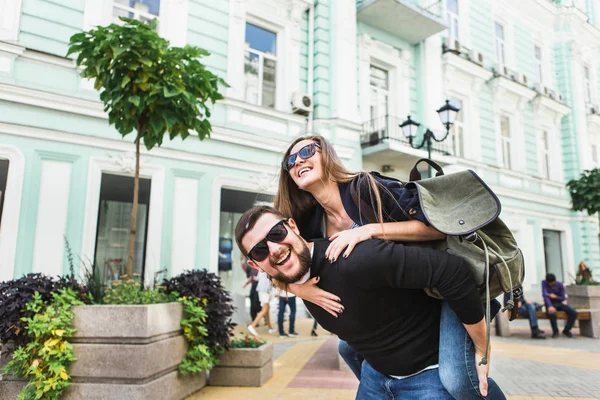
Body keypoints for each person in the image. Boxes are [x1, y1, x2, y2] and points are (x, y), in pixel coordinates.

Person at [273, 135, 503, 399]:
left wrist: (370, 231)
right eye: (290, 161)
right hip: (405, 303)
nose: (298, 161)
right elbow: (272, 261)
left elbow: (439, 229)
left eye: (307, 151)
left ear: (326, 154)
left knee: (458, 379)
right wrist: (298, 289)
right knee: (347, 349)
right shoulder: (310, 223)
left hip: (447, 285)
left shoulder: (364, 189)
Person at [235, 206, 505, 399]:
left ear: (293, 226)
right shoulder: (295, 277)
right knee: (346, 348)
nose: (273, 248)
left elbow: (452, 271)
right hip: (377, 379)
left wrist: (481, 346)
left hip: (428, 376)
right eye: (260, 250)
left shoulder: (356, 258)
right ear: (255, 264)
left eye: (276, 233)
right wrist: (295, 287)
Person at [542, 273, 578, 338]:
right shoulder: (544, 283)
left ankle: (567, 330)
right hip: (550, 304)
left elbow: (563, 298)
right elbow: (545, 296)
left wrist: (556, 297)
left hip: (559, 303)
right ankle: (555, 332)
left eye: (552, 283)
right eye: (550, 283)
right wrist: (550, 306)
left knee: (573, 312)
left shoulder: (560, 285)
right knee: (552, 313)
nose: (551, 284)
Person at [247, 270, 275, 336]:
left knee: (266, 310)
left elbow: (258, 278)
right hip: (265, 291)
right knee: (264, 310)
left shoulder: (261, 269)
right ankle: (252, 326)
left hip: (263, 291)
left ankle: (270, 328)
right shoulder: (265, 269)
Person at [242, 256, 261, 321]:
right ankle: (254, 319)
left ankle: (259, 319)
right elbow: (251, 277)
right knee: (252, 302)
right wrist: (246, 284)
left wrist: (258, 279)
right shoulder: (252, 267)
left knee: (258, 304)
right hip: (253, 287)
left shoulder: (260, 268)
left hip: (259, 287)